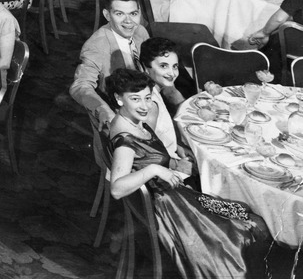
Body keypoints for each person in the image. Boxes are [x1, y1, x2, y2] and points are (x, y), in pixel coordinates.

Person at [104, 69, 273, 279]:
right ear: (118, 99)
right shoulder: (125, 140)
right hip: (170, 208)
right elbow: (117, 189)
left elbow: (147, 155)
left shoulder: (132, 121)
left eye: (147, 98)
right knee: (246, 230)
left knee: (245, 213)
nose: (145, 105)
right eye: (135, 99)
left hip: (175, 195)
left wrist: (178, 163)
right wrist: (155, 169)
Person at [70, 0, 150, 127]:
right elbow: (80, 86)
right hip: (121, 111)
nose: (129, 21)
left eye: (133, 14)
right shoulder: (96, 45)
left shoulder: (140, 31)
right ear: (107, 15)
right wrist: (102, 109)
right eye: (119, 14)